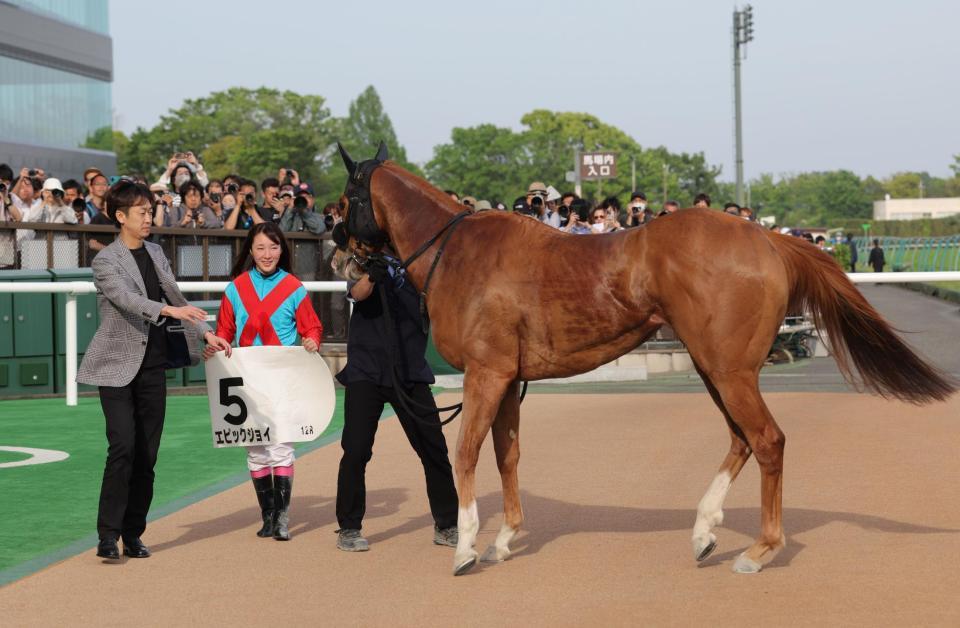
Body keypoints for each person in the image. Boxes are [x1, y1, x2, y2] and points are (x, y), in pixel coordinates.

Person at [77, 179, 230, 561]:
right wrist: (166, 311)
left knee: (147, 454)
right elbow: (126, 299)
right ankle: (108, 535)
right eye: (142, 212)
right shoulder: (105, 261)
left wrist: (205, 332)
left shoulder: (157, 252)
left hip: (152, 366)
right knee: (123, 446)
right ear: (120, 216)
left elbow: (176, 296)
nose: (150, 217)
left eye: (150, 211)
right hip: (115, 366)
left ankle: (133, 532)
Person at [332, 230, 458, 552]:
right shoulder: (363, 253)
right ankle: (348, 527)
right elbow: (357, 293)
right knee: (356, 450)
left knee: (434, 449)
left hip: (410, 370)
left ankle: (447, 524)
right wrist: (373, 276)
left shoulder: (424, 260)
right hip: (367, 370)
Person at [205, 222, 323, 541]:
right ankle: (268, 516)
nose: (267, 254)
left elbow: (312, 327)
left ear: (281, 249)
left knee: (281, 447)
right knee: (256, 450)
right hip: (246, 380)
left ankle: (283, 518)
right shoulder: (235, 288)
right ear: (251, 251)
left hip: (282, 378)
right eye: (260, 248)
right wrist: (215, 344)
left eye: (273, 247)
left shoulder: (294, 287)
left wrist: (312, 340)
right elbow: (225, 332)